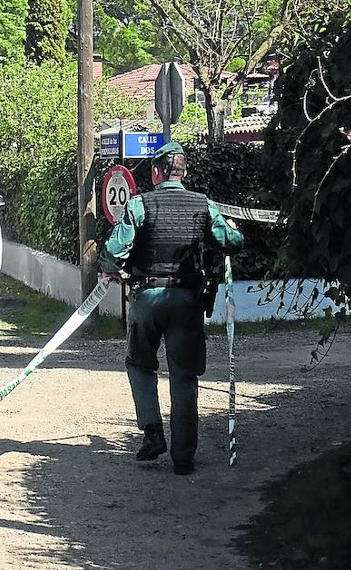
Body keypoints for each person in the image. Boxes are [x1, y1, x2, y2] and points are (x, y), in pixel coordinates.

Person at [100, 141, 244, 475]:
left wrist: (113, 268)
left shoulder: (141, 205)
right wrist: (235, 233)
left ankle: (152, 432)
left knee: (139, 364)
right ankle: (183, 457)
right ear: (185, 172)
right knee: (184, 375)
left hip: (146, 298)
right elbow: (231, 242)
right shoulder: (203, 205)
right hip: (187, 301)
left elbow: (113, 250)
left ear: (155, 172)